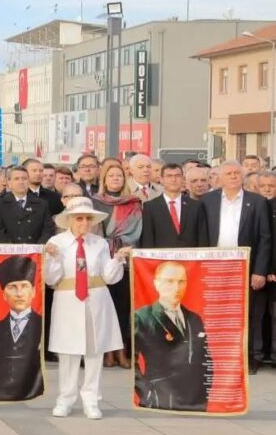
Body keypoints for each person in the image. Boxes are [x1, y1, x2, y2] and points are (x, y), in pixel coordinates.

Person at [43, 197, 129, 420]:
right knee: (68, 352)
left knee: (94, 351)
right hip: (68, 300)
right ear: (69, 220)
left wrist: (117, 260)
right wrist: (51, 259)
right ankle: (65, 398)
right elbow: (51, 278)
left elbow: (108, 277)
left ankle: (92, 400)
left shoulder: (99, 243)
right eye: (79, 218)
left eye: (87, 218)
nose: (84, 223)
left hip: (96, 299)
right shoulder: (57, 242)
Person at [199, 160, 272, 374]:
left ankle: (250, 357)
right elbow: (203, 235)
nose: (233, 176)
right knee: (217, 314)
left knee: (249, 314)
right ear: (219, 178)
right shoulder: (208, 200)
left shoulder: (256, 201)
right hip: (215, 266)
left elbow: (265, 237)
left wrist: (259, 270)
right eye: (228, 173)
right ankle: (217, 357)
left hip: (246, 267)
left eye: (236, 173)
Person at [133, 261, 212, 411]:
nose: (176, 288)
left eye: (181, 282)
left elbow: (206, 357)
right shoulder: (143, 317)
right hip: (161, 395)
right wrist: (146, 394)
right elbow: (132, 361)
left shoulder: (194, 318)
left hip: (195, 399)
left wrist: (204, 391)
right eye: (169, 281)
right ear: (157, 284)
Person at [92, 162, 142, 369]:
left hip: (126, 262)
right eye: (111, 175)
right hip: (102, 261)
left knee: (122, 309)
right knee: (103, 309)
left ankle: (121, 351)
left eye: (119, 176)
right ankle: (106, 353)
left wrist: (122, 249)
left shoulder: (134, 203)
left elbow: (137, 232)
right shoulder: (95, 202)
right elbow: (94, 232)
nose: (115, 179)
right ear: (104, 180)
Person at [0, 255, 44, 401]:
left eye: (24, 286)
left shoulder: (42, 326)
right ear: (4, 294)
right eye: (12, 287)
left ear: (34, 291)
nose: (19, 294)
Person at [139, 164, 206, 249]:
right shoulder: (150, 207)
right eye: (169, 176)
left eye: (177, 176)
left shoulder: (196, 206)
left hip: (190, 259)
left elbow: (202, 239)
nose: (173, 179)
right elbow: (147, 240)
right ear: (161, 180)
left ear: (183, 179)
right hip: (162, 260)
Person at [0, 167, 53, 245]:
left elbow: (47, 230)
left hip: (35, 252)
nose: (21, 182)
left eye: (24, 179)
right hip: (9, 252)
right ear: (9, 182)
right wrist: (13, 249)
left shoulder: (42, 204)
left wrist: (37, 248)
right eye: (17, 179)